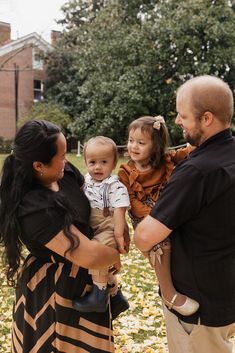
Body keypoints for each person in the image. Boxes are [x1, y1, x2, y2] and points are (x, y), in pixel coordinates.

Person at [0, 120, 124, 353]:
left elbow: (91, 209)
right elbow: (88, 255)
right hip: (54, 288)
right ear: (39, 165)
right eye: (62, 155)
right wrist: (112, 254)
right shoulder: (33, 207)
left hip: (87, 282)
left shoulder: (65, 173)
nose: (66, 161)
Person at [134, 75, 235, 353]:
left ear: (206, 119)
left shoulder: (198, 171)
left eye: (183, 115)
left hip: (198, 304)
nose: (177, 121)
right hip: (225, 288)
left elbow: (145, 238)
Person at [118, 115, 198, 316]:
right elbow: (131, 203)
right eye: (130, 141)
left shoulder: (166, 161)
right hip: (145, 219)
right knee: (160, 247)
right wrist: (154, 217)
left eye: (141, 142)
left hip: (166, 215)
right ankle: (168, 293)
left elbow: (189, 151)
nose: (133, 146)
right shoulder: (126, 172)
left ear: (156, 146)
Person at [73, 136, 130, 314]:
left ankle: (98, 297)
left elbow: (120, 212)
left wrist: (119, 236)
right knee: (104, 263)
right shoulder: (87, 180)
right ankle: (115, 296)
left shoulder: (115, 185)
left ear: (113, 164)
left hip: (108, 226)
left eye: (104, 162)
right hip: (92, 225)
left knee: (97, 252)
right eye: (92, 162)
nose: (97, 167)